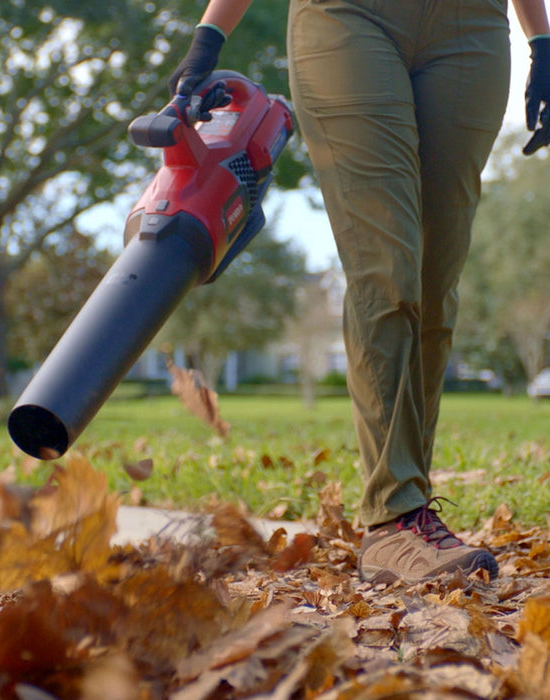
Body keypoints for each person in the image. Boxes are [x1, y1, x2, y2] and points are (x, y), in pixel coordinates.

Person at [168, 0, 550, 584]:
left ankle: (415, 512)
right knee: (387, 267)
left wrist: (541, 40)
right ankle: (393, 516)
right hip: (350, 17)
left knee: (435, 279)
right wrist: (209, 36)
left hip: (471, 28)